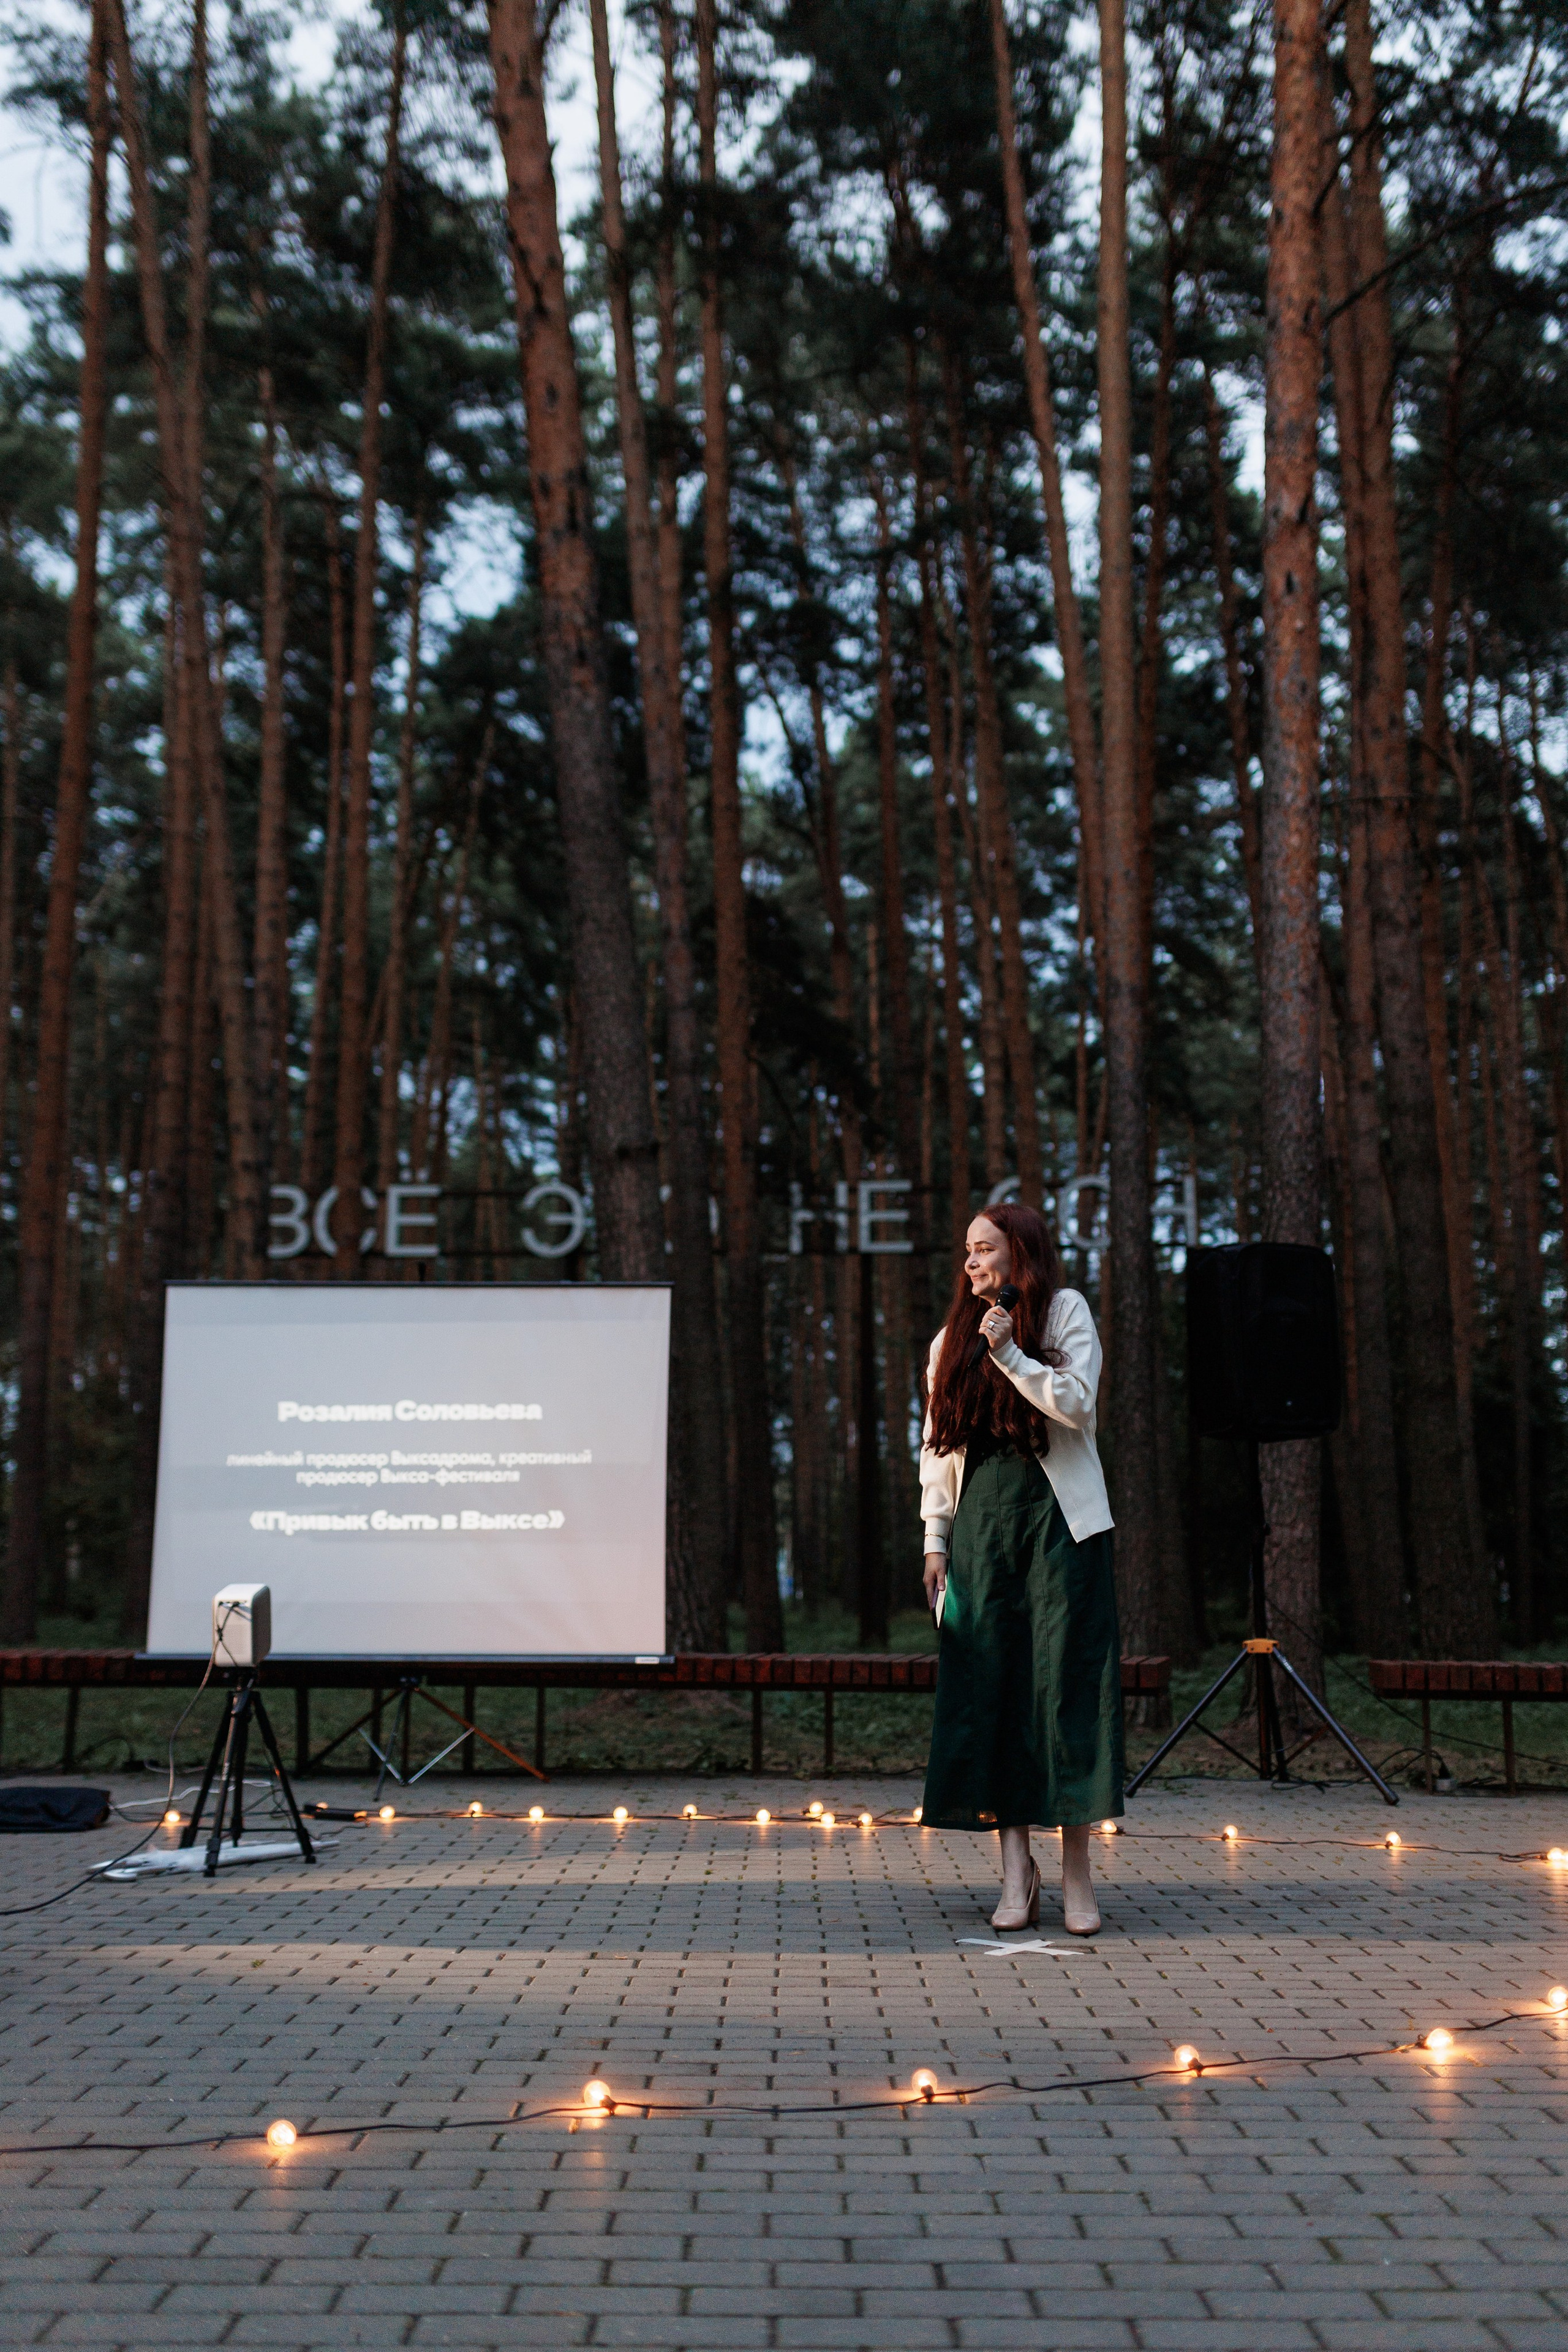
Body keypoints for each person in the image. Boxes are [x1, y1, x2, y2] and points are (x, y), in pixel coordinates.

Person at [919, 1201, 1121, 1935]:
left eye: (984, 1249)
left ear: (1019, 1252)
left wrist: (1009, 1352)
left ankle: (1076, 1876)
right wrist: (934, 1541)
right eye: (966, 1252)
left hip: (1060, 1527)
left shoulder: (1063, 1312)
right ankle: (1015, 1871)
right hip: (982, 1529)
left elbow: (1076, 1405)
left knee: (1065, 1688)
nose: (971, 1263)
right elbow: (937, 1450)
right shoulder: (950, 1341)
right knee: (996, 1689)